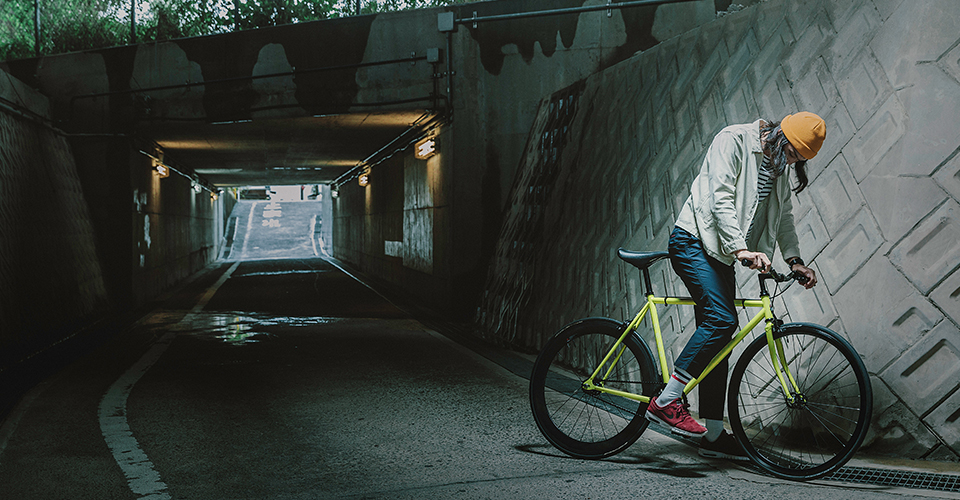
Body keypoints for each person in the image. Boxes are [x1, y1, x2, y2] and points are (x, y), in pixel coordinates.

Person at [644, 112, 824, 461]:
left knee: (721, 341)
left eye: (798, 160)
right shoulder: (733, 139)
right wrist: (740, 248)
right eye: (791, 154)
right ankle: (666, 401)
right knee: (722, 321)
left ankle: (713, 435)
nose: (790, 162)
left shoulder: (778, 166)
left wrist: (794, 259)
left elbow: (783, 215)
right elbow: (720, 198)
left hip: (722, 252)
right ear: (780, 137)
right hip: (694, 241)